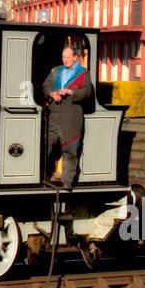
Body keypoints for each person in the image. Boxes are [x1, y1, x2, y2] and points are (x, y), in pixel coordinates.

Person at [41, 45, 91, 189]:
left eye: (68, 57)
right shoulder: (56, 71)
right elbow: (45, 86)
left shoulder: (83, 73)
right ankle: (44, 176)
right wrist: (52, 94)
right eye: (64, 57)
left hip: (71, 114)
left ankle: (67, 181)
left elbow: (87, 93)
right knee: (48, 145)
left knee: (70, 147)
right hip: (54, 113)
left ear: (75, 57)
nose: (65, 60)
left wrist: (70, 92)